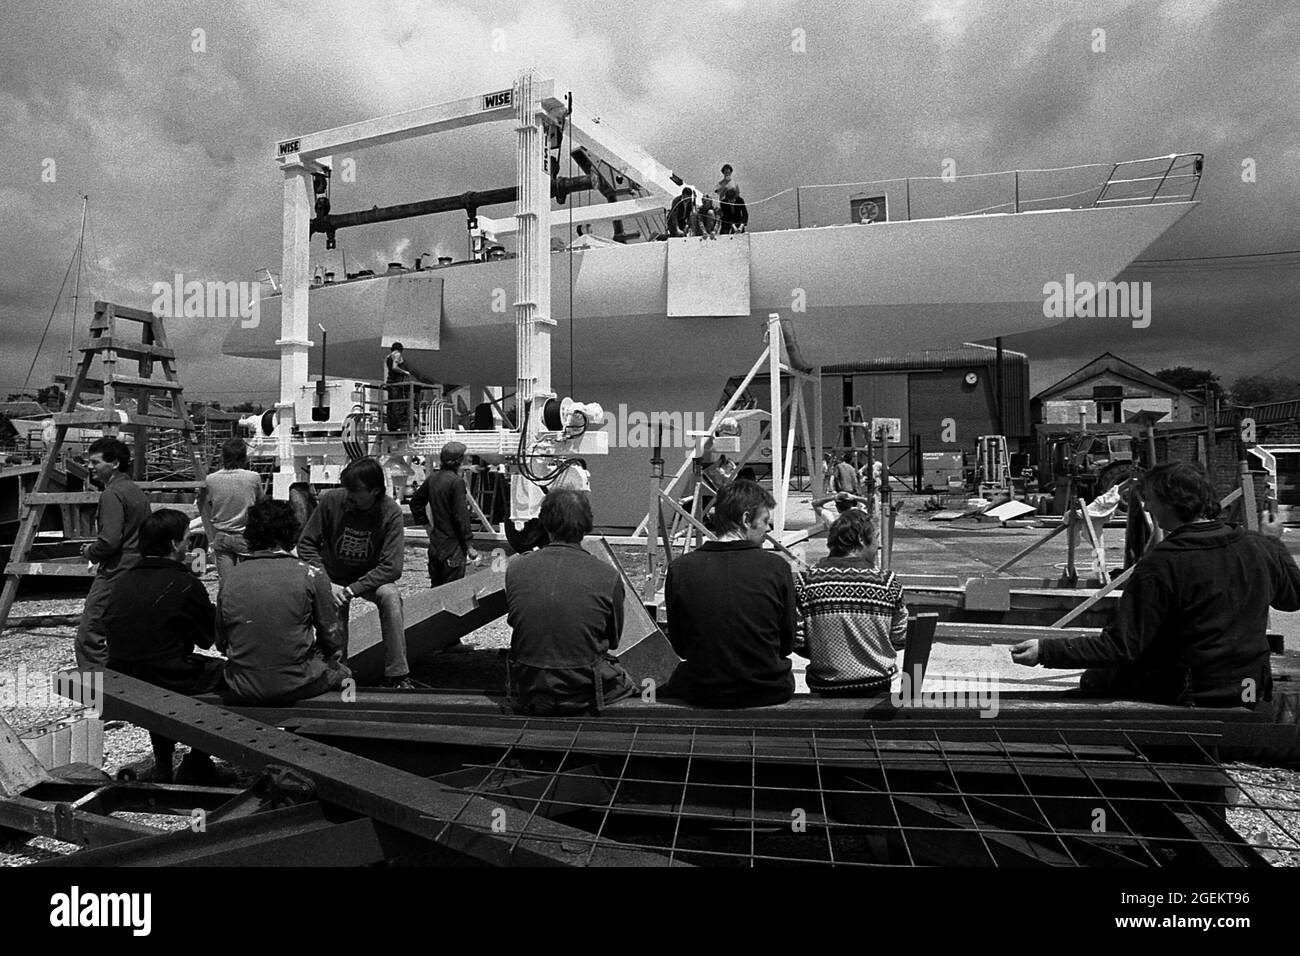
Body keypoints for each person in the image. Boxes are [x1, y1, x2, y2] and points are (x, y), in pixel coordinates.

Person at [1011, 462, 1300, 707]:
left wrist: (1045, 651)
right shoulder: (1259, 546)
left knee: (1095, 680)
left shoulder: (1163, 563)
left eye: (1150, 499)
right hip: (1248, 687)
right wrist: (1274, 541)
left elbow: (1121, 647)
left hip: (1190, 694)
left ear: (1173, 502)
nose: (1147, 507)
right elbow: (1293, 599)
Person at [105, 508, 224, 783]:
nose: (189, 545)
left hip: (123, 673)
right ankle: (198, 758)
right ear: (173, 544)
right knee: (230, 677)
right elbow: (207, 639)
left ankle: (163, 764)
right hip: (167, 674)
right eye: (186, 539)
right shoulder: (184, 583)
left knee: (158, 674)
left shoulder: (122, 582)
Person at [664, 479, 796, 707]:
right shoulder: (776, 568)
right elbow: (786, 644)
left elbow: (680, 645)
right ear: (746, 519)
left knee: (654, 686)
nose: (769, 528)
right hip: (767, 689)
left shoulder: (681, 569)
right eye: (765, 521)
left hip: (701, 689)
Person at [504, 489, 636, 715]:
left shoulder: (516, 569)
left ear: (544, 524)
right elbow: (613, 640)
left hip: (529, 686)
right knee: (633, 683)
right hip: (584, 690)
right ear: (587, 525)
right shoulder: (607, 576)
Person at [218, 499, 351, 704]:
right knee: (345, 674)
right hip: (299, 682)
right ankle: (344, 725)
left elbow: (221, 641)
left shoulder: (231, 578)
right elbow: (332, 636)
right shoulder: (310, 574)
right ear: (291, 533)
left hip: (242, 684)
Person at [297, 457, 412, 688]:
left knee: (390, 597)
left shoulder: (390, 512)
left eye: (356, 490)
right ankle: (337, 671)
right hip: (333, 576)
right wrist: (326, 582)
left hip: (369, 577)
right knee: (334, 613)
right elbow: (306, 544)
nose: (349, 495)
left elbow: (392, 567)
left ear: (375, 490)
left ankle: (398, 673)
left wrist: (352, 589)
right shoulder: (331, 501)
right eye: (347, 488)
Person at [794, 510, 908, 695]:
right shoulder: (886, 581)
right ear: (862, 540)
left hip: (824, 688)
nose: (878, 546)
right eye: (876, 538)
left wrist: (826, 650)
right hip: (876, 687)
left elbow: (797, 640)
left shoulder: (806, 581)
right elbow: (900, 637)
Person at [75, 437, 151, 669]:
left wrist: (89, 551)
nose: (90, 467)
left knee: (89, 635)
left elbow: (109, 542)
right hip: (137, 567)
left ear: (115, 463)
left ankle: (100, 691)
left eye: (95, 462)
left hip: (116, 569)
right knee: (126, 630)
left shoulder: (112, 494)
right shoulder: (135, 491)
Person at [410, 440, 478, 587]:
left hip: (435, 546)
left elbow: (415, 503)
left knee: (436, 590)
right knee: (452, 593)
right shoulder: (456, 482)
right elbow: (461, 516)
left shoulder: (433, 479)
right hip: (453, 548)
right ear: (459, 460)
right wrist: (469, 544)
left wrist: (427, 526)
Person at [202, 437, 264, 585]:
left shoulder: (210, 479)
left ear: (223, 456)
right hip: (245, 535)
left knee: (226, 585)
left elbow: (209, 505)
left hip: (221, 535)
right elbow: (260, 504)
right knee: (249, 583)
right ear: (244, 457)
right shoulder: (253, 478)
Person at [384, 341, 415, 431]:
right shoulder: (397, 355)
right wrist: (405, 372)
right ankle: (398, 424)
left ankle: (391, 425)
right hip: (396, 383)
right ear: (401, 349)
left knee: (391, 404)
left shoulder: (388, 356)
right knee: (397, 404)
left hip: (390, 383)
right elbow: (394, 367)